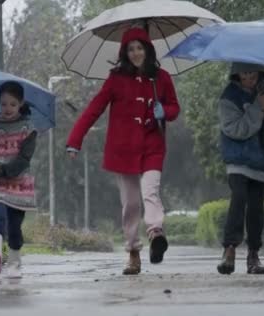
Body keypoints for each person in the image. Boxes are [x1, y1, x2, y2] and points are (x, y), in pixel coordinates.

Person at [66, 27, 180, 275]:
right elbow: (94, 109)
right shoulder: (116, 79)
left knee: (150, 191)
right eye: (131, 49)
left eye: (140, 48)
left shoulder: (160, 78)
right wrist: (75, 140)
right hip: (123, 149)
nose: (136, 53)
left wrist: (165, 112)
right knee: (130, 204)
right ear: (125, 52)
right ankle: (133, 252)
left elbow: (174, 107)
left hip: (152, 145)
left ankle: (155, 232)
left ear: (148, 50)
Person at [217, 63, 264, 275]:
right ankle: (229, 249)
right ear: (237, 74)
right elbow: (235, 129)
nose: (249, 78)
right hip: (237, 159)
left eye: (253, 73)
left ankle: (253, 255)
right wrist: (258, 107)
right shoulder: (229, 97)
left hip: (263, 159)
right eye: (245, 74)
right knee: (239, 198)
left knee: (257, 207)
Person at [0, 81, 37, 279]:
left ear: (20, 103)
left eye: (12, 104)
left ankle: (14, 261)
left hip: (19, 184)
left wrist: (1, 169)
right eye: (3, 104)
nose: (7, 108)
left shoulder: (28, 128)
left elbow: (23, 160)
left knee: (14, 226)